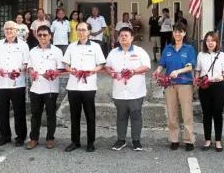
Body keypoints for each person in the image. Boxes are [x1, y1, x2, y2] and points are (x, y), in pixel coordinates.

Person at [105, 27, 151, 151]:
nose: (123, 37)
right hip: (119, 91)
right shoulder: (113, 52)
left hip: (136, 91)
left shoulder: (140, 51)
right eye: (121, 35)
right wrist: (111, 73)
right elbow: (107, 67)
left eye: (126, 35)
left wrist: (134, 71)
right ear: (118, 38)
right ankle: (121, 140)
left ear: (132, 38)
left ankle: (136, 141)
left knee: (136, 115)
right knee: (121, 116)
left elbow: (147, 66)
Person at [62, 21, 106, 153]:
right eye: (79, 30)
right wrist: (70, 70)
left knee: (90, 115)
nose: (81, 32)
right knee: (74, 115)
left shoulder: (95, 47)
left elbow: (101, 63)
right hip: (73, 86)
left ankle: (90, 142)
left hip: (89, 86)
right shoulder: (71, 46)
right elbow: (65, 63)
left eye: (83, 30)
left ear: (88, 31)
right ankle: (75, 142)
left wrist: (93, 71)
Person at [153, 22, 196, 151]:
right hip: (170, 85)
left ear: (184, 33)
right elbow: (162, 64)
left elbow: (190, 66)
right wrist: (158, 71)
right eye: (175, 31)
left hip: (185, 84)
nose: (178, 33)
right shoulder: (168, 48)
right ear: (173, 33)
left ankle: (189, 140)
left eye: (180, 31)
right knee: (172, 113)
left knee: (187, 113)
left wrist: (179, 71)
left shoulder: (189, 49)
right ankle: (174, 139)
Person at [0, 21, 30, 147]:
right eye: (6, 29)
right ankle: (4, 136)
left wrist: (19, 70)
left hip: (17, 84)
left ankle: (20, 136)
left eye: (11, 29)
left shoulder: (23, 45)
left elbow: (26, 63)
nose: (8, 31)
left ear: (16, 31)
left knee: (19, 112)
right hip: (2, 84)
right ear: (3, 31)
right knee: (2, 112)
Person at [26, 26, 65, 150]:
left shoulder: (57, 51)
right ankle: (33, 139)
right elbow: (29, 66)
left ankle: (50, 138)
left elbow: (61, 68)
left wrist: (53, 72)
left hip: (50, 89)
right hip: (35, 88)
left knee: (50, 115)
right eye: (40, 35)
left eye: (45, 35)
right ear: (37, 36)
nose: (42, 37)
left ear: (50, 36)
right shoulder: (32, 51)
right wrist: (31, 71)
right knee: (35, 115)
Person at [195, 32, 224, 152]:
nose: (210, 43)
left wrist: (222, 77)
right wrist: (197, 80)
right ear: (205, 42)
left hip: (218, 87)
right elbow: (198, 71)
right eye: (208, 40)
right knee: (206, 114)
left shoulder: (222, 55)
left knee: (218, 114)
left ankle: (218, 141)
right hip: (205, 87)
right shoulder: (200, 55)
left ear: (217, 42)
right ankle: (207, 140)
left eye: (213, 40)